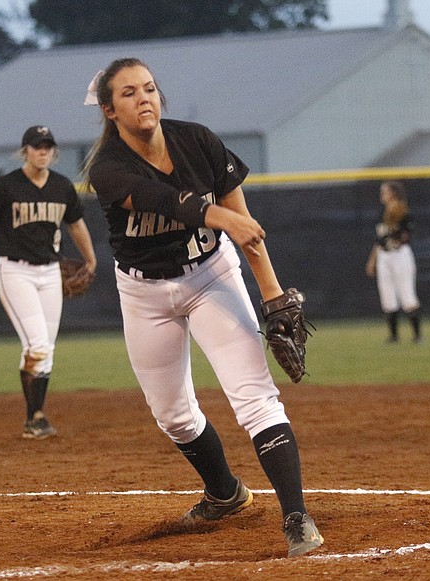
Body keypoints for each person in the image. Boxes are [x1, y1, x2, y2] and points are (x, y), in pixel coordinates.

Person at [81, 57, 323, 558]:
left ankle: (296, 516)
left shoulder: (198, 140)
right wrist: (218, 216)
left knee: (255, 398)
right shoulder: (107, 169)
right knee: (173, 415)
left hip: (211, 276)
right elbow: (161, 200)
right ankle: (225, 494)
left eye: (149, 88)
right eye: (128, 93)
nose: (143, 98)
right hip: (144, 294)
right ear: (109, 109)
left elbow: (246, 228)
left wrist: (272, 295)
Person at [0, 125, 97, 439]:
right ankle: (35, 417)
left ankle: (35, 417)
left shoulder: (62, 187)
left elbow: (76, 225)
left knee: (46, 347)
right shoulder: (7, 186)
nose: (42, 151)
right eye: (36, 146)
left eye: (47, 146)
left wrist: (90, 259)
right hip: (15, 272)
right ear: (25, 151)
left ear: (54, 151)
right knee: (38, 344)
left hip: (50, 273)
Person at [365, 181, 422, 343]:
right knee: (387, 294)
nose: (382, 195)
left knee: (407, 294)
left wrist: (395, 229)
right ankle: (394, 336)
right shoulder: (381, 213)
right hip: (384, 255)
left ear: (394, 193)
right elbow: (379, 240)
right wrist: (372, 260)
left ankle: (417, 336)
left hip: (399, 254)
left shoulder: (402, 212)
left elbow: (405, 236)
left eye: (385, 192)